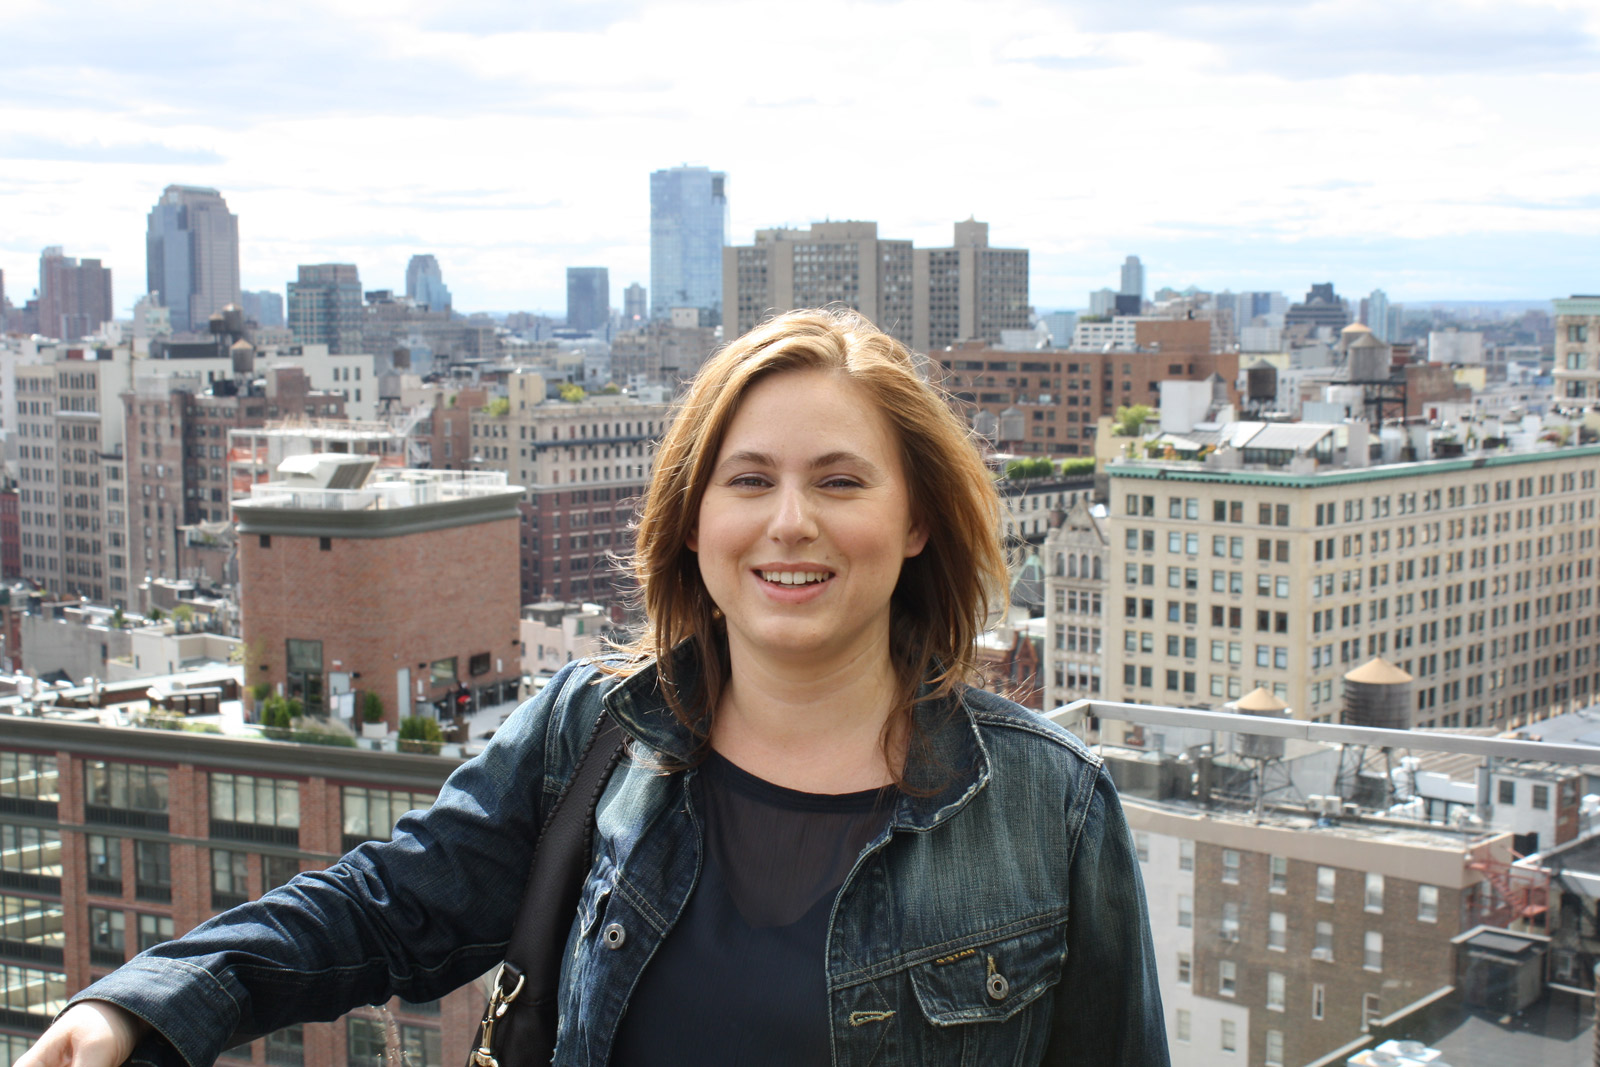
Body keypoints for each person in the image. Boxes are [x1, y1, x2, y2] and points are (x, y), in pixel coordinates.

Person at [21, 308, 1167, 1067]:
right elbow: (385, 906)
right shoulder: (597, 733)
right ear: (695, 517)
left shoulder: (1043, 807)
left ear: (916, 518)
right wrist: (146, 999)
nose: (789, 522)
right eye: (748, 479)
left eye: (839, 480)